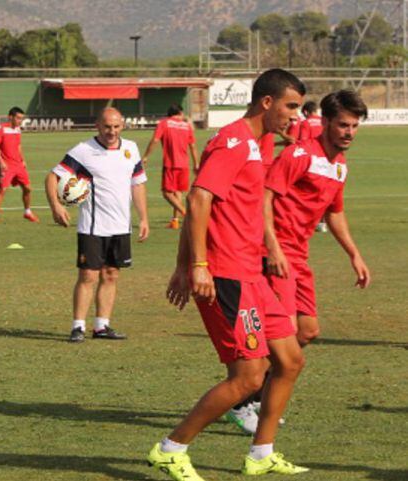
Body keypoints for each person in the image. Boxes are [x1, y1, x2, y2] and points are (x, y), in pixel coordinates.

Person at [149, 69, 308, 480]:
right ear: (267, 102)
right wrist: (195, 266)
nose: (296, 115)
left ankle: (261, 453)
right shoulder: (234, 141)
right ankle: (172, 448)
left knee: (289, 360)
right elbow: (198, 199)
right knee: (248, 375)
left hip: (251, 275)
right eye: (291, 106)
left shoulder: (262, 143)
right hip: (226, 276)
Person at [265, 89, 371, 348]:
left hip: (299, 255)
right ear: (324, 122)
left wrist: (354, 254)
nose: (349, 132)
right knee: (285, 332)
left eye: (355, 126)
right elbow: (263, 198)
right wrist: (272, 248)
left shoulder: (339, 166)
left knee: (307, 331)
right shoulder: (299, 155)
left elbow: (334, 213)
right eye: (343, 125)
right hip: (278, 251)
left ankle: (261, 383)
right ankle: (253, 381)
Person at [45, 107, 149, 343]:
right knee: (88, 276)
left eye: (116, 127)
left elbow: (138, 184)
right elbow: (52, 177)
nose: (111, 132)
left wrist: (143, 217)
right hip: (93, 227)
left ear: (122, 125)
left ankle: (102, 326)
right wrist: (56, 206)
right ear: (97, 125)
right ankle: (78, 327)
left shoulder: (131, 149)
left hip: (121, 225)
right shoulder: (83, 151)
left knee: (111, 275)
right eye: (107, 127)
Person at [141, 104, 199, 229]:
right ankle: (175, 221)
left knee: (167, 193)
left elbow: (155, 140)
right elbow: (193, 146)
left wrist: (145, 156)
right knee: (178, 192)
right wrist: (196, 164)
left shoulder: (164, 123)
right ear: (180, 113)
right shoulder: (186, 126)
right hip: (184, 164)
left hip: (171, 164)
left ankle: (186, 214)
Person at [0, 107, 38, 224]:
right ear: (10, 117)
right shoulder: (1, 128)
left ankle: (27, 212)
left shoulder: (17, 129)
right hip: (7, 165)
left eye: (22, 118)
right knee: (3, 189)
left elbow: (18, 146)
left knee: (28, 189)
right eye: (18, 118)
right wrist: (1, 161)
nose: (20, 121)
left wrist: (23, 160)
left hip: (18, 165)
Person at [298, 100, 329, 233]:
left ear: (305, 112)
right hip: (327, 158)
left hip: (312, 160)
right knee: (324, 191)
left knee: (307, 191)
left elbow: (303, 142)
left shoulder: (305, 123)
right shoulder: (325, 121)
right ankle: (323, 222)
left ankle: (309, 221)